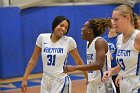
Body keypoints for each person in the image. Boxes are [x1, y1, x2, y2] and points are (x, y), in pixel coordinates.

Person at [21, 15, 88, 93]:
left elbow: (78, 60)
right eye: (61, 25)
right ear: (55, 24)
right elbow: (33, 59)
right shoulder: (42, 38)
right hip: (45, 80)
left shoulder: (69, 41)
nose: (63, 29)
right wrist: (24, 79)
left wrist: (87, 77)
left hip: (60, 80)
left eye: (66, 27)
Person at [64, 18, 115, 93]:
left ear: (89, 30)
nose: (81, 29)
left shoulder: (99, 42)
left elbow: (99, 64)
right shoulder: (88, 43)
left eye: (84, 27)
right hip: (92, 84)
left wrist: (75, 67)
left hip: (103, 84)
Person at [102, 5, 140, 93]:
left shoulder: (137, 37)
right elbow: (125, 63)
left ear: (127, 18)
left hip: (136, 84)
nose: (113, 22)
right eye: (112, 19)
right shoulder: (119, 39)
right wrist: (113, 71)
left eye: (116, 19)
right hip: (124, 84)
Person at [103, 21, 120, 93]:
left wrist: (109, 55)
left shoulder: (120, 38)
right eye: (111, 24)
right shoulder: (103, 39)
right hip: (106, 73)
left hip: (117, 72)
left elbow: (120, 55)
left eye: (114, 24)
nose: (112, 26)